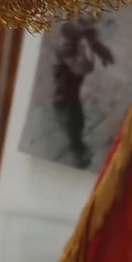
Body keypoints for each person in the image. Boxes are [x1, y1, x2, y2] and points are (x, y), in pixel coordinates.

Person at [51, 14, 114, 167]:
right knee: (73, 120)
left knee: (77, 116)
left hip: (74, 84)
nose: (91, 23)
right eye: (86, 21)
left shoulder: (83, 30)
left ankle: (76, 143)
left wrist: (102, 51)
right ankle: (77, 152)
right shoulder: (65, 42)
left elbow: (93, 40)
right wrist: (85, 52)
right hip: (66, 86)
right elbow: (79, 68)